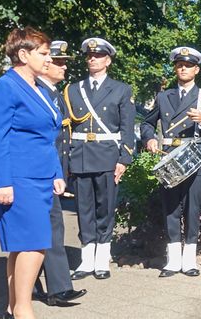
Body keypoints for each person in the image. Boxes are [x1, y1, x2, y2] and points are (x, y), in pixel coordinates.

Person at [0, 27, 65, 319]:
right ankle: (23, 309)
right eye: (43, 53)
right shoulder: (4, 87)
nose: (49, 59)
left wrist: (56, 171)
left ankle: (12, 308)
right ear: (23, 54)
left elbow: (46, 137)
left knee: (22, 246)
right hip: (18, 178)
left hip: (41, 176)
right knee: (34, 244)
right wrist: (2, 181)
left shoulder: (40, 89)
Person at [141, 47, 201, 278]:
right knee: (171, 208)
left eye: (188, 65)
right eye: (179, 65)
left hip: (194, 156)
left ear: (196, 69)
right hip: (169, 155)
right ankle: (173, 261)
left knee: (192, 207)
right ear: (175, 68)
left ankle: (189, 261)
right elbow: (147, 123)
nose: (183, 68)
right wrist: (148, 139)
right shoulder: (163, 97)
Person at [64, 37, 135, 280]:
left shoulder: (121, 89)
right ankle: (86, 260)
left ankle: (102, 259)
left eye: (98, 56)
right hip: (81, 155)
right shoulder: (73, 89)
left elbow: (127, 128)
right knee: (84, 209)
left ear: (108, 60)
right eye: (90, 56)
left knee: (105, 209)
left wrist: (124, 159)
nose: (92, 59)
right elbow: (67, 128)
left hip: (107, 155)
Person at [31, 40, 87, 307]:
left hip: (52, 173)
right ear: (45, 64)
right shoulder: (36, 91)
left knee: (51, 227)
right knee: (42, 230)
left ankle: (55, 287)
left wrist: (63, 173)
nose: (65, 67)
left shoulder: (54, 92)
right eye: (60, 62)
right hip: (38, 173)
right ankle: (45, 287)